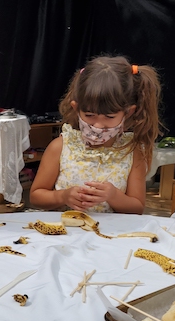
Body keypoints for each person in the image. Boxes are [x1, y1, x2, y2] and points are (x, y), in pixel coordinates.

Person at [30, 56, 162, 214]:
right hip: (65, 228)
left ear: (128, 112)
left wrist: (113, 196)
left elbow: (137, 208)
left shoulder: (131, 152)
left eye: (109, 117)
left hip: (111, 230)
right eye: (89, 115)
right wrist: (63, 196)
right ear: (76, 108)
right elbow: (36, 197)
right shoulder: (61, 147)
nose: (98, 125)